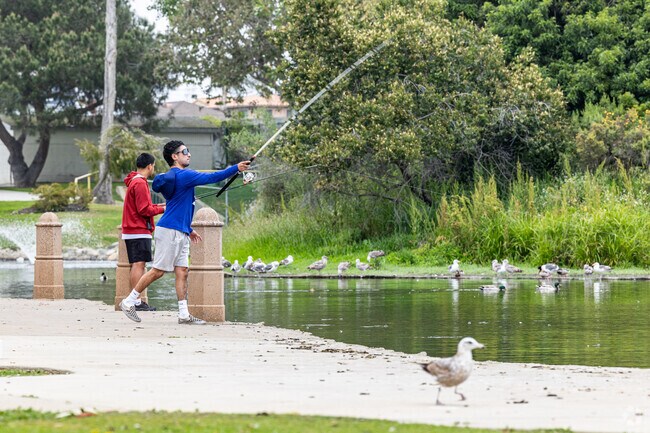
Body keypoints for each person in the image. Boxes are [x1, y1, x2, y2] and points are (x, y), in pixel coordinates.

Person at [119, 140, 250, 324]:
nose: (189, 154)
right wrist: (236, 168)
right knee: (158, 271)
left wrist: (188, 229)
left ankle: (183, 314)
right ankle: (129, 301)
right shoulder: (184, 175)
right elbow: (214, 177)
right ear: (175, 157)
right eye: (185, 151)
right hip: (169, 230)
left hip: (179, 230)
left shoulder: (176, 178)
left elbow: (179, 206)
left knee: (182, 271)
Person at [121, 152, 165, 312]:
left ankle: (136, 300)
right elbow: (144, 209)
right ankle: (135, 301)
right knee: (139, 264)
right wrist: (162, 208)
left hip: (134, 229)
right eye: (153, 166)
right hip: (138, 229)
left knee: (137, 264)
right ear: (150, 166)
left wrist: (160, 206)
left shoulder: (134, 181)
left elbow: (143, 205)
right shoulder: (139, 183)